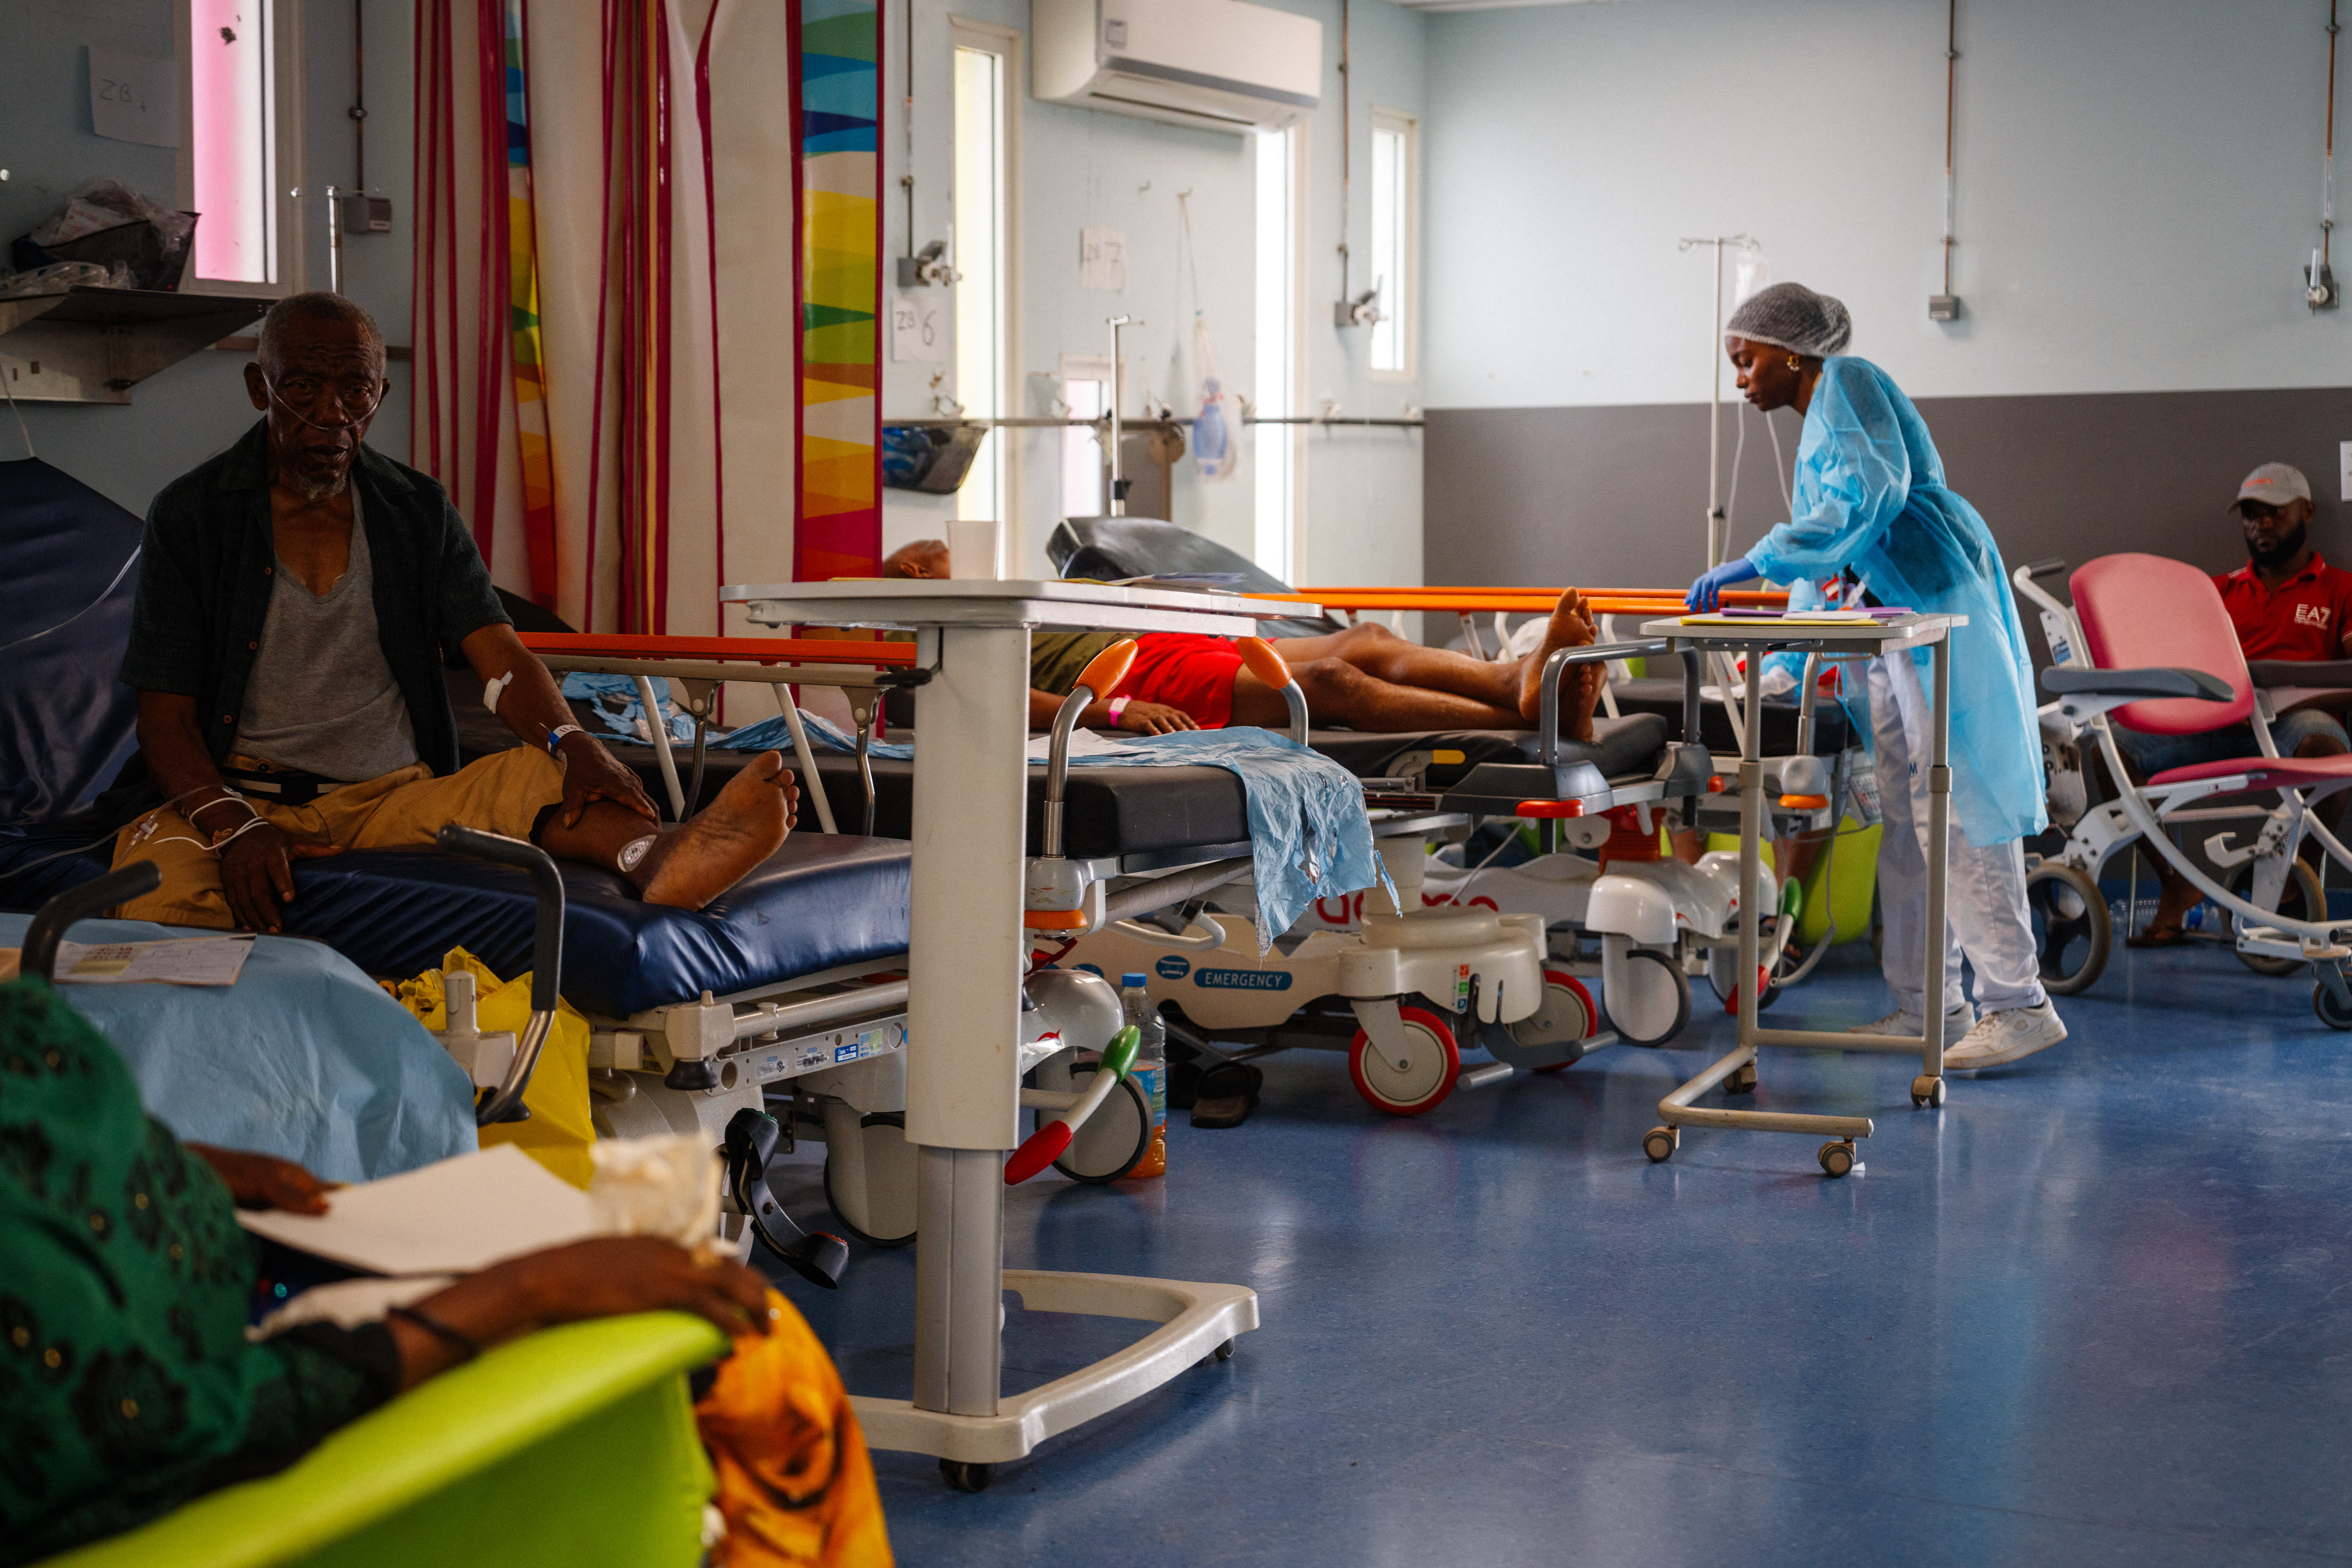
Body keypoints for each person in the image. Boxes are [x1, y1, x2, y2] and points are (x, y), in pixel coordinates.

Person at [0, 974, 890, 1566]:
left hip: (229, 1262)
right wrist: (525, 1287)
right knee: (760, 1367)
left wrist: (179, 1162)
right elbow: (146, 1431)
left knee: (741, 1343)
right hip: (251, 1382)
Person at [103, 292, 797, 934]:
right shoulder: (194, 516)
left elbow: (498, 654)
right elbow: (164, 720)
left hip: (388, 799)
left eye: (356, 390)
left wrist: (576, 743)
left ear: (380, 393)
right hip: (236, 796)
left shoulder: (416, 511)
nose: (333, 413)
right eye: (303, 387)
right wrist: (233, 824)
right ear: (262, 390)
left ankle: (660, 858)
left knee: (543, 773)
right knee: (156, 889)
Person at [1685, 282, 2065, 1071]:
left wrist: (1757, 558)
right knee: (1909, 817)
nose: (1741, 378)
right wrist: (1788, 655)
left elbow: (1864, 501)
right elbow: (1835, 556)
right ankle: (1928, 1004)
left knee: (1956, 810)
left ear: (1793, 349)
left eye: (1747, 359)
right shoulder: (1817, 417)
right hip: (1893, 633)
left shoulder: (1847, 384)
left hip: (1936, 610)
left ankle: (2018, 1002)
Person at [879, 539, 1606, 739]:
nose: (963, 562)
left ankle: (1515, 687)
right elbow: (991, 695)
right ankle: (1523, 718)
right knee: (1332, 688)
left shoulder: (1013, 594)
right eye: (944, 557)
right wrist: (1105, 713)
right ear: (913, 572)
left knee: (1366, 638)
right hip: (1129, 681)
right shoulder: (938, 629)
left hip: (1167, 640)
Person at [2114, 462, 2352, 946]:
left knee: (2325, 740)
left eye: (2274, 513)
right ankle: (2177, 887)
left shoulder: (2341, 588)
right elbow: (2181, 668)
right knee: (2110, 748)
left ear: (2306, 511)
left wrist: (2285, 700)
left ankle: (2287, 881)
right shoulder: (2214, 591)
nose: (2261, 525)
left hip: (2294, 723)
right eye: (2251, 515)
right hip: (2216, 723)